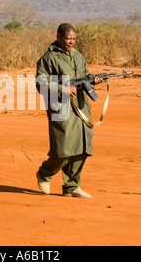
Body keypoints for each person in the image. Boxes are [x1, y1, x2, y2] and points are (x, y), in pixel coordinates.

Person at [35, 23, 103, 198]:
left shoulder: (78, 56)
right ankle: (45, 173)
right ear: (58, 36)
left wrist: (93, 81)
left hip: (81, 107)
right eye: (68, 38)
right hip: (61, 108)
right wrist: (62, 89)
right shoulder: (48, 58)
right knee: (64, 148)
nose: (71, 42)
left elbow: (84, 75)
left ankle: (72, 186)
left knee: (82, 147)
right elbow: (40, 83)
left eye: (73, 38)